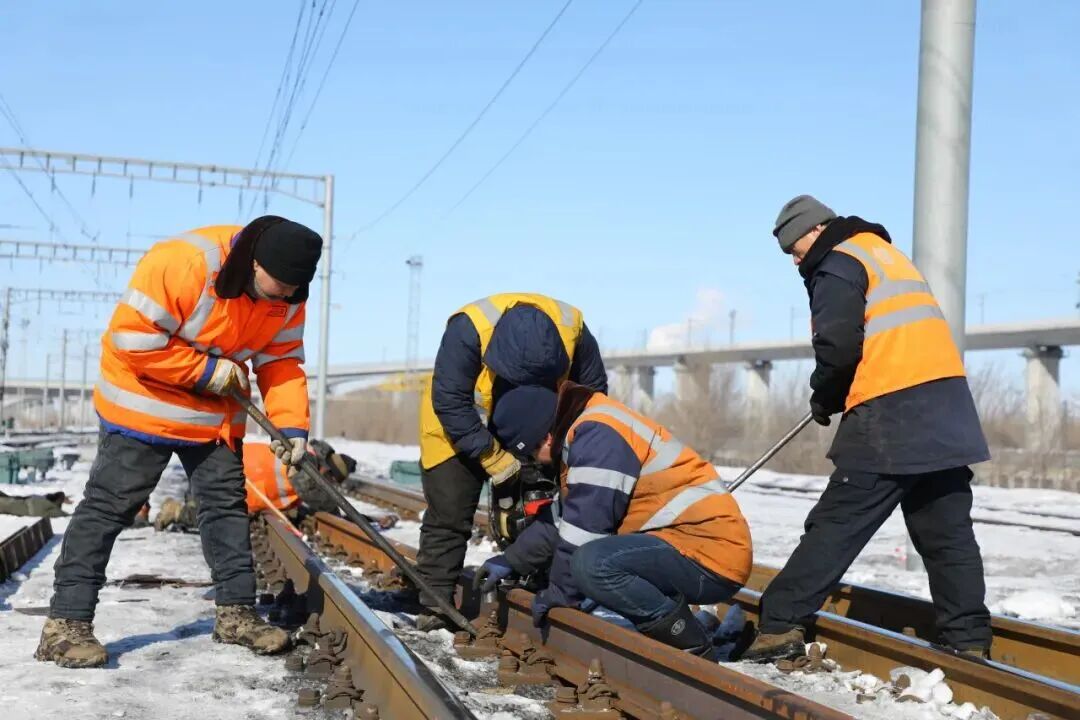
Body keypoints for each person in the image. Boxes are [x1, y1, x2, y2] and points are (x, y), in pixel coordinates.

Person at [36, 216, 322, 669]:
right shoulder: (185, 263)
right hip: (144, 401)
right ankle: (65, 624)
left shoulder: (289, 296)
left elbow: (281, 361)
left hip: (214, 413)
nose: (286, 296)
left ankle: (236, 615)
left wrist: (291, 427)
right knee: (110, 508)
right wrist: (206, 371)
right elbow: (133, 338)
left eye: (295, 288)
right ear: (254, 262)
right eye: (280, 285)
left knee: (226, 507)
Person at [742, 195, 992, 662]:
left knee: (838, 522)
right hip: (948, 409)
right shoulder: (885, 255)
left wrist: (825, 395)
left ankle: (777, 625)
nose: (795, 260)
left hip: (891, 412)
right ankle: (969, 640)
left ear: (815, 230)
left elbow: (837, 346)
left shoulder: (838, 262)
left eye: (794, 249)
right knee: (946, 533)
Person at [473, 382, 752, 657]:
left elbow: (583, 531)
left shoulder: (599, 437)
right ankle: (675, 632)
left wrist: (560, 593)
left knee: (592, 564)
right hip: (684, 544)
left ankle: (690, 643)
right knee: (591, 561)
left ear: (545, 438)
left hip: (711, 554)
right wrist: (512, 560)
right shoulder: (587, 429)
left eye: (531, 453)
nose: (537, 461)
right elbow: (564, 517)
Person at [414, 293, 608, 630]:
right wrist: (494, 458)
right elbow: (450, 400)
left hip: (536, 421)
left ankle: (541, 579)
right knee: (450, 511)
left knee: (547, 499)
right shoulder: (467, 330)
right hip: (456, 421)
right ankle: (436, 602)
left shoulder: (573, 329)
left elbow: (593, 395)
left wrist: (568, 444)